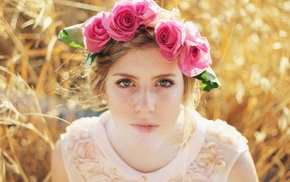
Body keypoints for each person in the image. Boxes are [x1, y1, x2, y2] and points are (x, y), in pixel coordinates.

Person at [51, 0, 258, 181]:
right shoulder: (71, 154)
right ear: (102, 88)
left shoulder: (230, 161)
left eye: (164, 83)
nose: (145, 106)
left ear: (186, 88)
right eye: (125, 83)